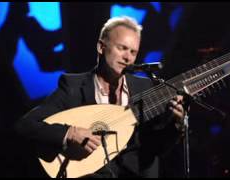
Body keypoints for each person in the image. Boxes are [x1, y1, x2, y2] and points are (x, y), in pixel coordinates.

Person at [15, 16, 186, 178]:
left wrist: (175, 123)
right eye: (122, 48)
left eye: (133, 52)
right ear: (101, 47)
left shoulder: (145, 87)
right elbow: (26, 125)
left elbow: (155, 148)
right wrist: (70, 133)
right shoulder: (73, 87)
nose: (128, 57)